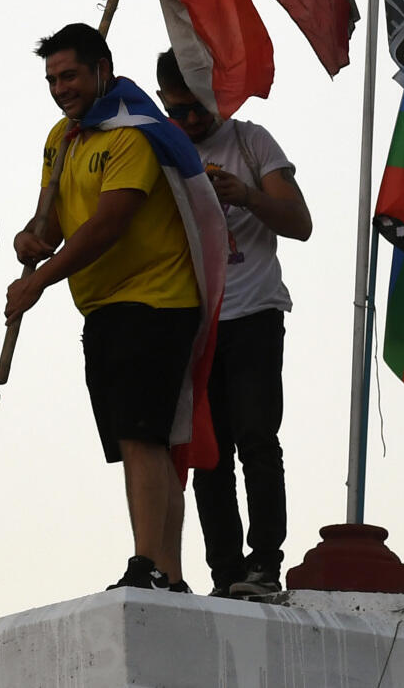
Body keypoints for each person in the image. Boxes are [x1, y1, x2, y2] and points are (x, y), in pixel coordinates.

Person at [4, 23, 202, 593]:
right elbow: (56, 220)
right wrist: (30, 238)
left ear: (102, 68)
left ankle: (149, 563)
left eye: (68, 75)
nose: (60, 88)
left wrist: (40, 279)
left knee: (142, 437)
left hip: (156, 298)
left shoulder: (132, 132)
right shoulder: (63, 138)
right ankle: (169, 571)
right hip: (103, 309)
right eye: (51, 79)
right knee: (141, 441)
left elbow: (110, 222)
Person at [155, 51, 312, 599]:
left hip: (255, 314)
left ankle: (264, 562)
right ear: (162, 105)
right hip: (195, 325)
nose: (193, 122)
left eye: (200, 108)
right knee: (208, 457)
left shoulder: (251, 141)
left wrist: (246, 194)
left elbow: (301, 223)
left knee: (257, 439)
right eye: (179, 112)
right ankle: (225, 574)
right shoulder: (161, 152)